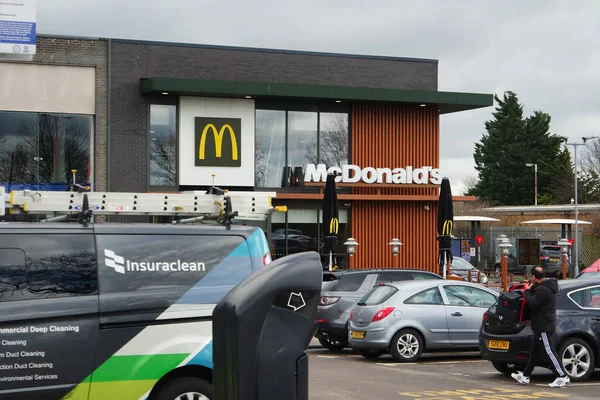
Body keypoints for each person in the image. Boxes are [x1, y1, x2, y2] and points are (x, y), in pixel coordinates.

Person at [511, 266, 569, 388]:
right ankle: (525, 376)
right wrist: (532, 289)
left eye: (531, 276)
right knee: (535, 352)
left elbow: (532, 303)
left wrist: (527, 290)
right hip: (540, 325)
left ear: (534, 277)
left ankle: (562, 376)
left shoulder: (543, 290)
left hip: (543, 326)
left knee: (549, 351)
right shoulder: (545, 287)